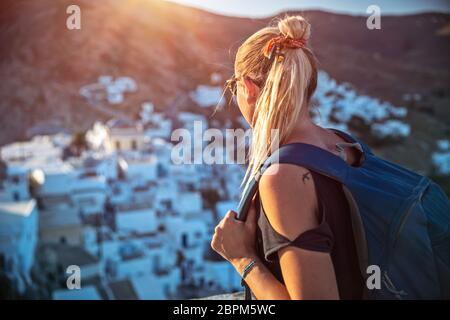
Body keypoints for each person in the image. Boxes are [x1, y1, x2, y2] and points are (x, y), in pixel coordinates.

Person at [211, 15, 365, 300]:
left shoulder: (284, 175)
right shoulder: (345, 144)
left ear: (248, 88)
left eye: (234, 87)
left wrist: (241, 258)